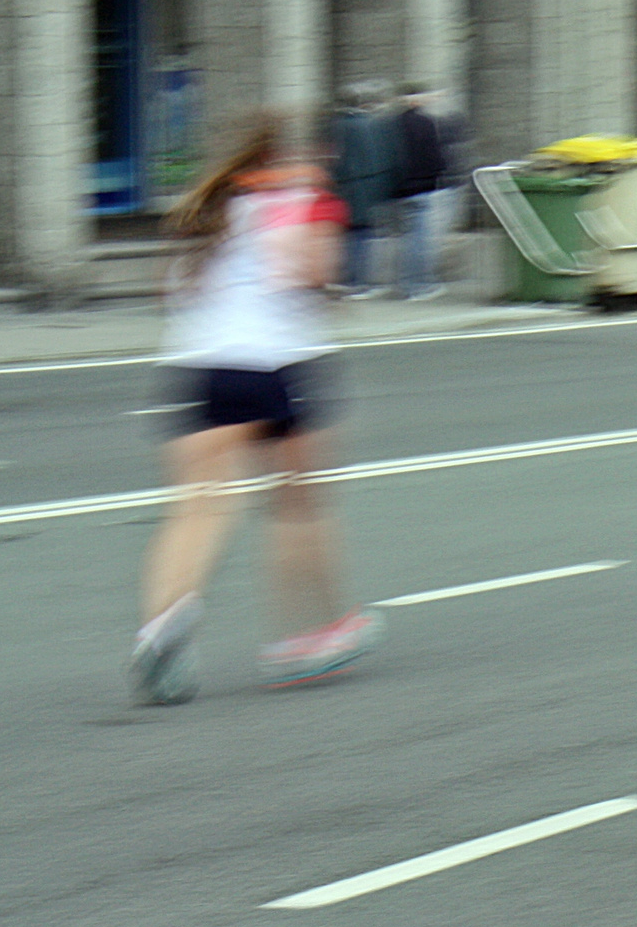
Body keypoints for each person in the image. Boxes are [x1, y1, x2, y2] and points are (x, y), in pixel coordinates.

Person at [131, 114, 378, 706]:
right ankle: (313, 631)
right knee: (298, 505)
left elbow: (182, 291)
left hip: (199, 366)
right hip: (274, 364)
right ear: (300, 154)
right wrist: (331, 289)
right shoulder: (306, 198)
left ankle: (159, 628)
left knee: (195, 509)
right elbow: (310, 274)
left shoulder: (219, 205)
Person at [329, 80, 396, 298]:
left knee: (348, 236)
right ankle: (359, 282)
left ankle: (346, 279)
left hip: (345, 188)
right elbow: (378, 160)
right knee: (363, 237)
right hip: (366, 188)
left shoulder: (337, 125)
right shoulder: (370, 125)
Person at [391, 84, 451, 301]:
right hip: (422, 188)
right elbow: (435, 156)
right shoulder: (425, 122)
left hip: (400, 190)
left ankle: (406, 284)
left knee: (407, 239)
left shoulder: (393, 123)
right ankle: (416, 287)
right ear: (417, 100)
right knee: (419, 241)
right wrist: (439, 178)